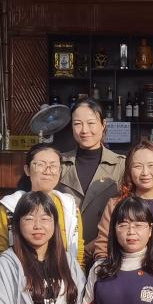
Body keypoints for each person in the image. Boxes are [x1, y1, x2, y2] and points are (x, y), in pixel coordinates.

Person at [0, 190, 84, 304]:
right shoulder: (6, 265)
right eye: (29, 219)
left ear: (55, 223)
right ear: (17, 224)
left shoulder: (69, 263)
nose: (37, 225)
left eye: (45, 219)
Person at [92, 140, 153, 266]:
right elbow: (103, 247)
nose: (145, 172)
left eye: (151, 165)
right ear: (129, 170)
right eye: (138, 166)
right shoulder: (115, 205)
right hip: (122, 274)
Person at [0, 144, 83, 266]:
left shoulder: (70, 206)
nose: (47, 171)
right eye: (40, 164)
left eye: (53, 166)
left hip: (64, 274)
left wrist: (78, 274)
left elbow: (78, 251)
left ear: (60, 171)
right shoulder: (9, 206)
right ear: (27, 170)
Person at [57, 99, 126, 259]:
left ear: (103, 124)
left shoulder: (121, 165)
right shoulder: (59, 163)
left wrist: (94, 245)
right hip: (65, 252)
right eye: (77, 124)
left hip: (106, 251)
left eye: (91, 123)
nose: (84, 130)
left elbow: (126, 213)